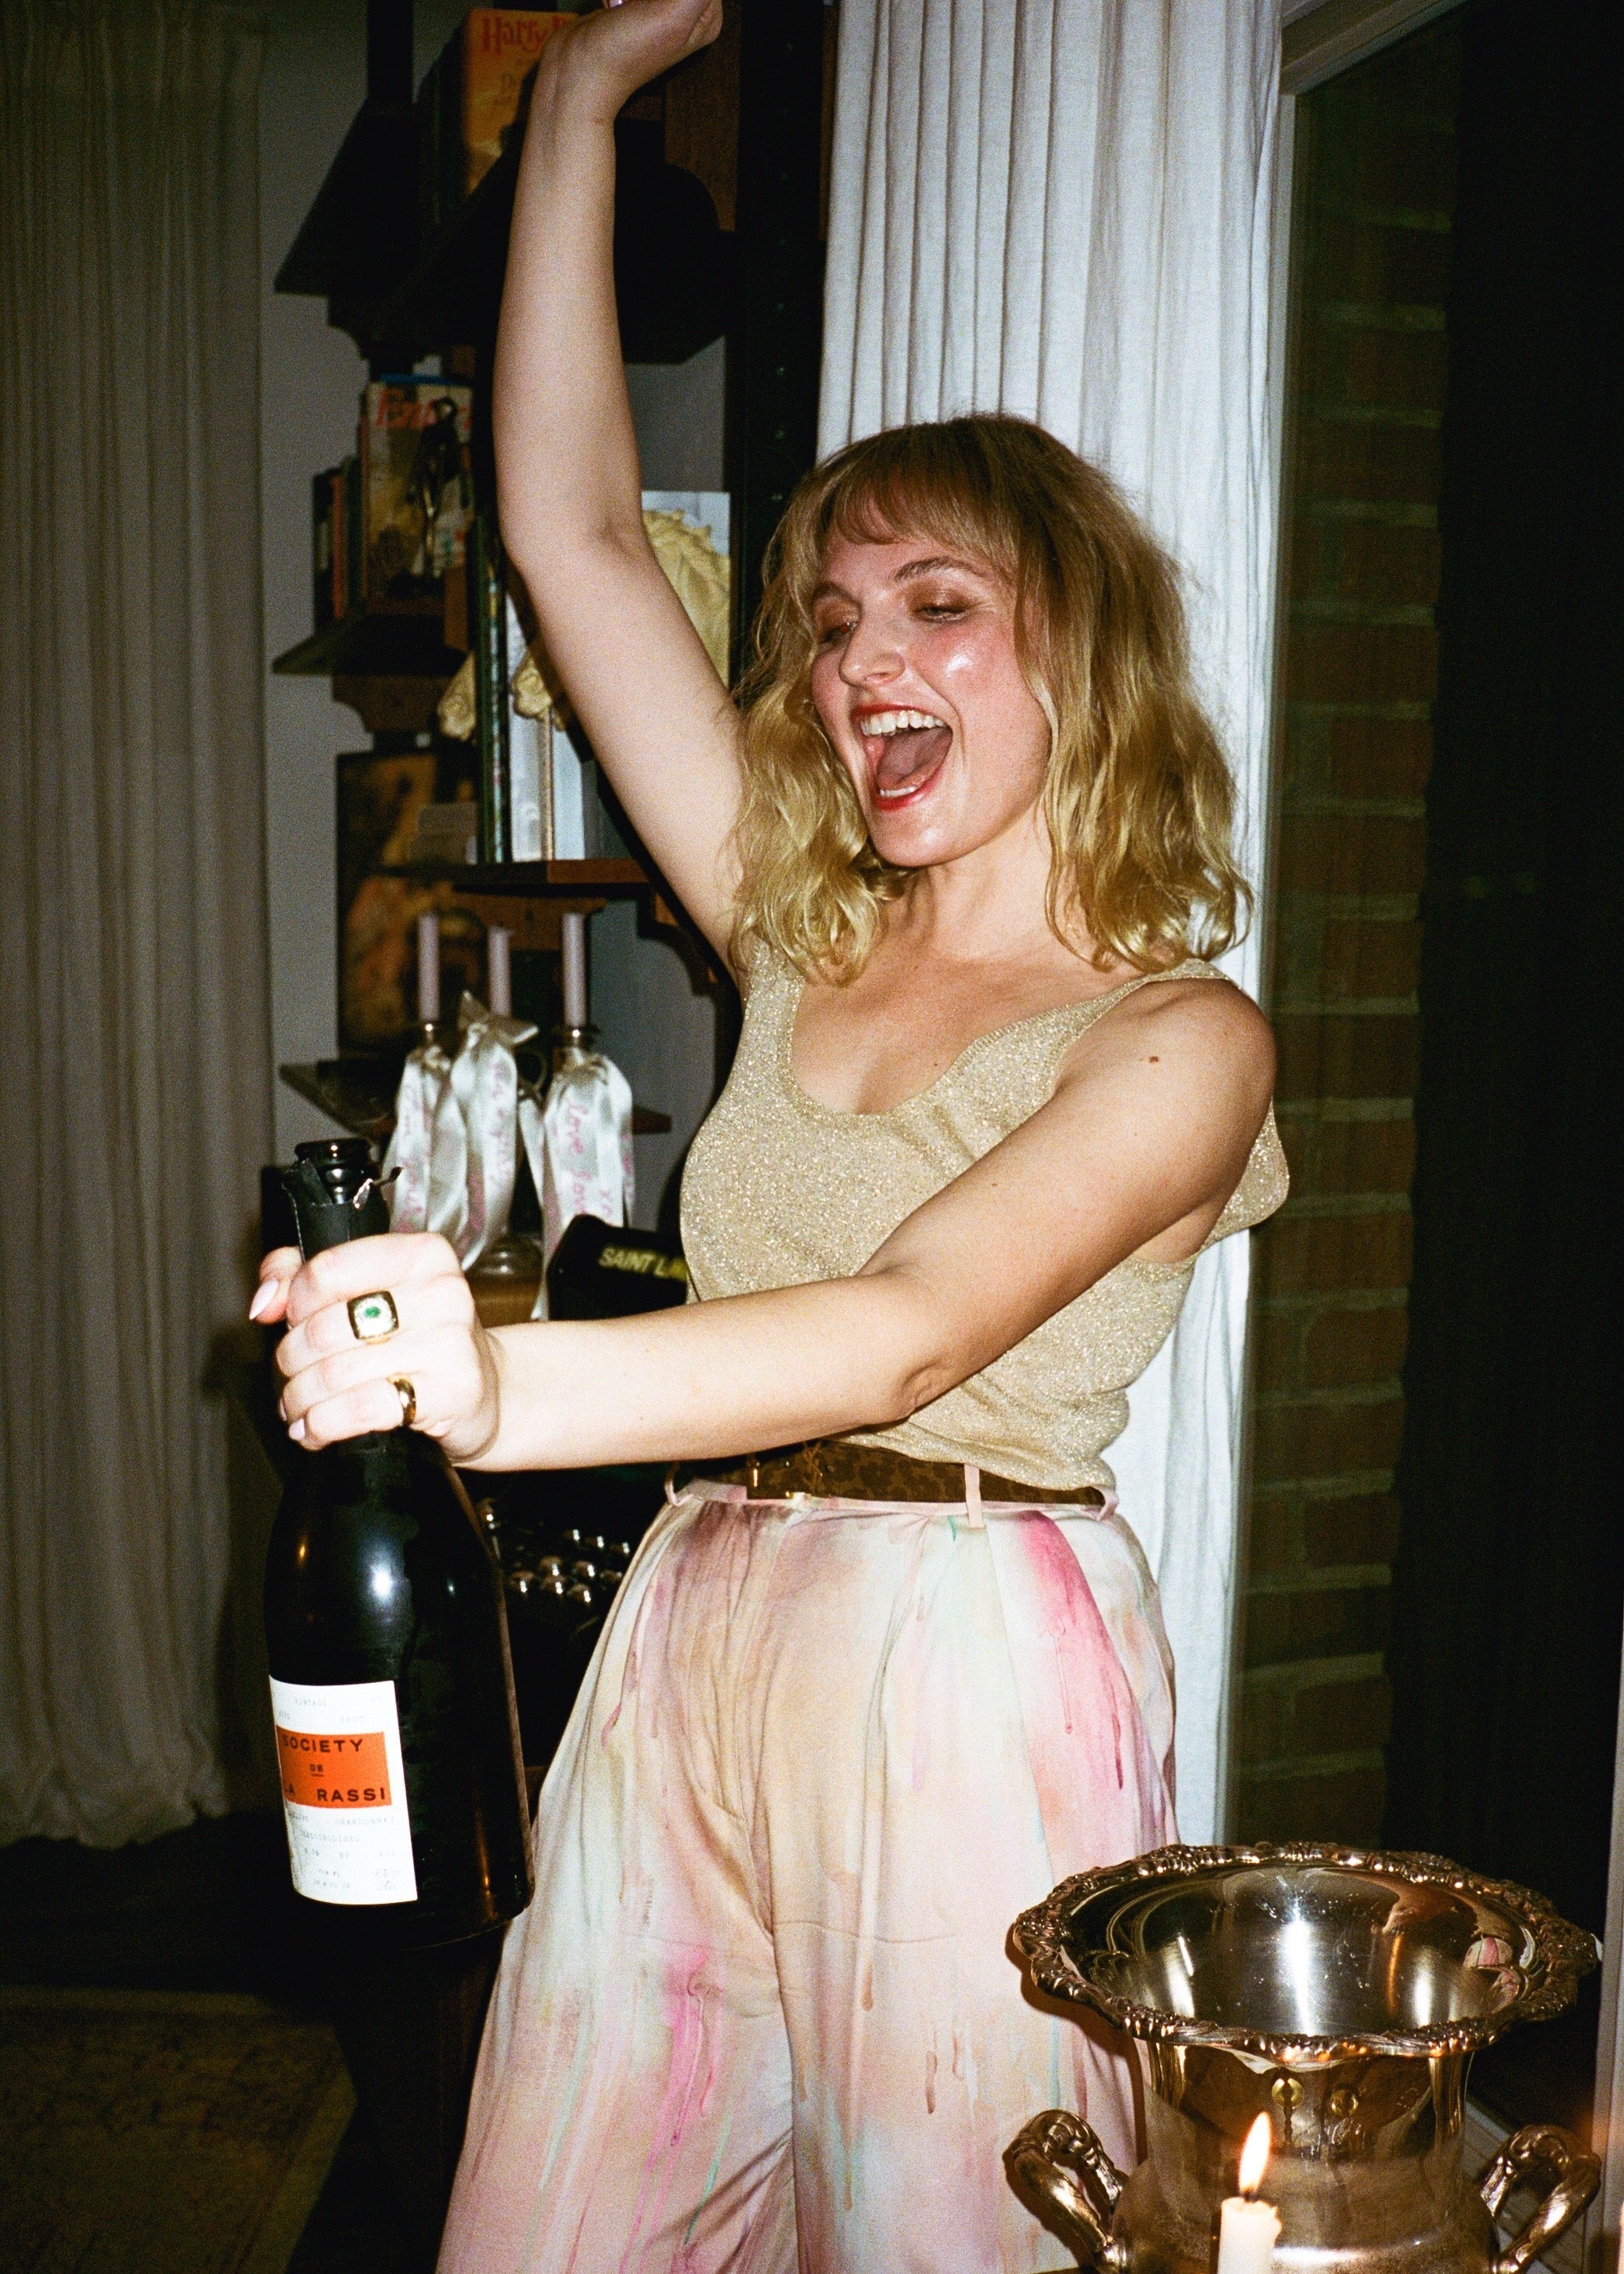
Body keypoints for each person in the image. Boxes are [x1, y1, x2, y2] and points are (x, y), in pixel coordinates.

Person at [252, 2, 1287, 2265]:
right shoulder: (803, 933)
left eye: (934, 609)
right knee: (541, 2229)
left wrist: (497, 1377)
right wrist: (585, 108)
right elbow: (568, 527)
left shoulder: (1179, 1035)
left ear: (1078, 655)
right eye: (829, 629)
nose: (853, 669)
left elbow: (909, 1330)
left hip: (971, 1649)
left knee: (949, 2232)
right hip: (702, 1606)